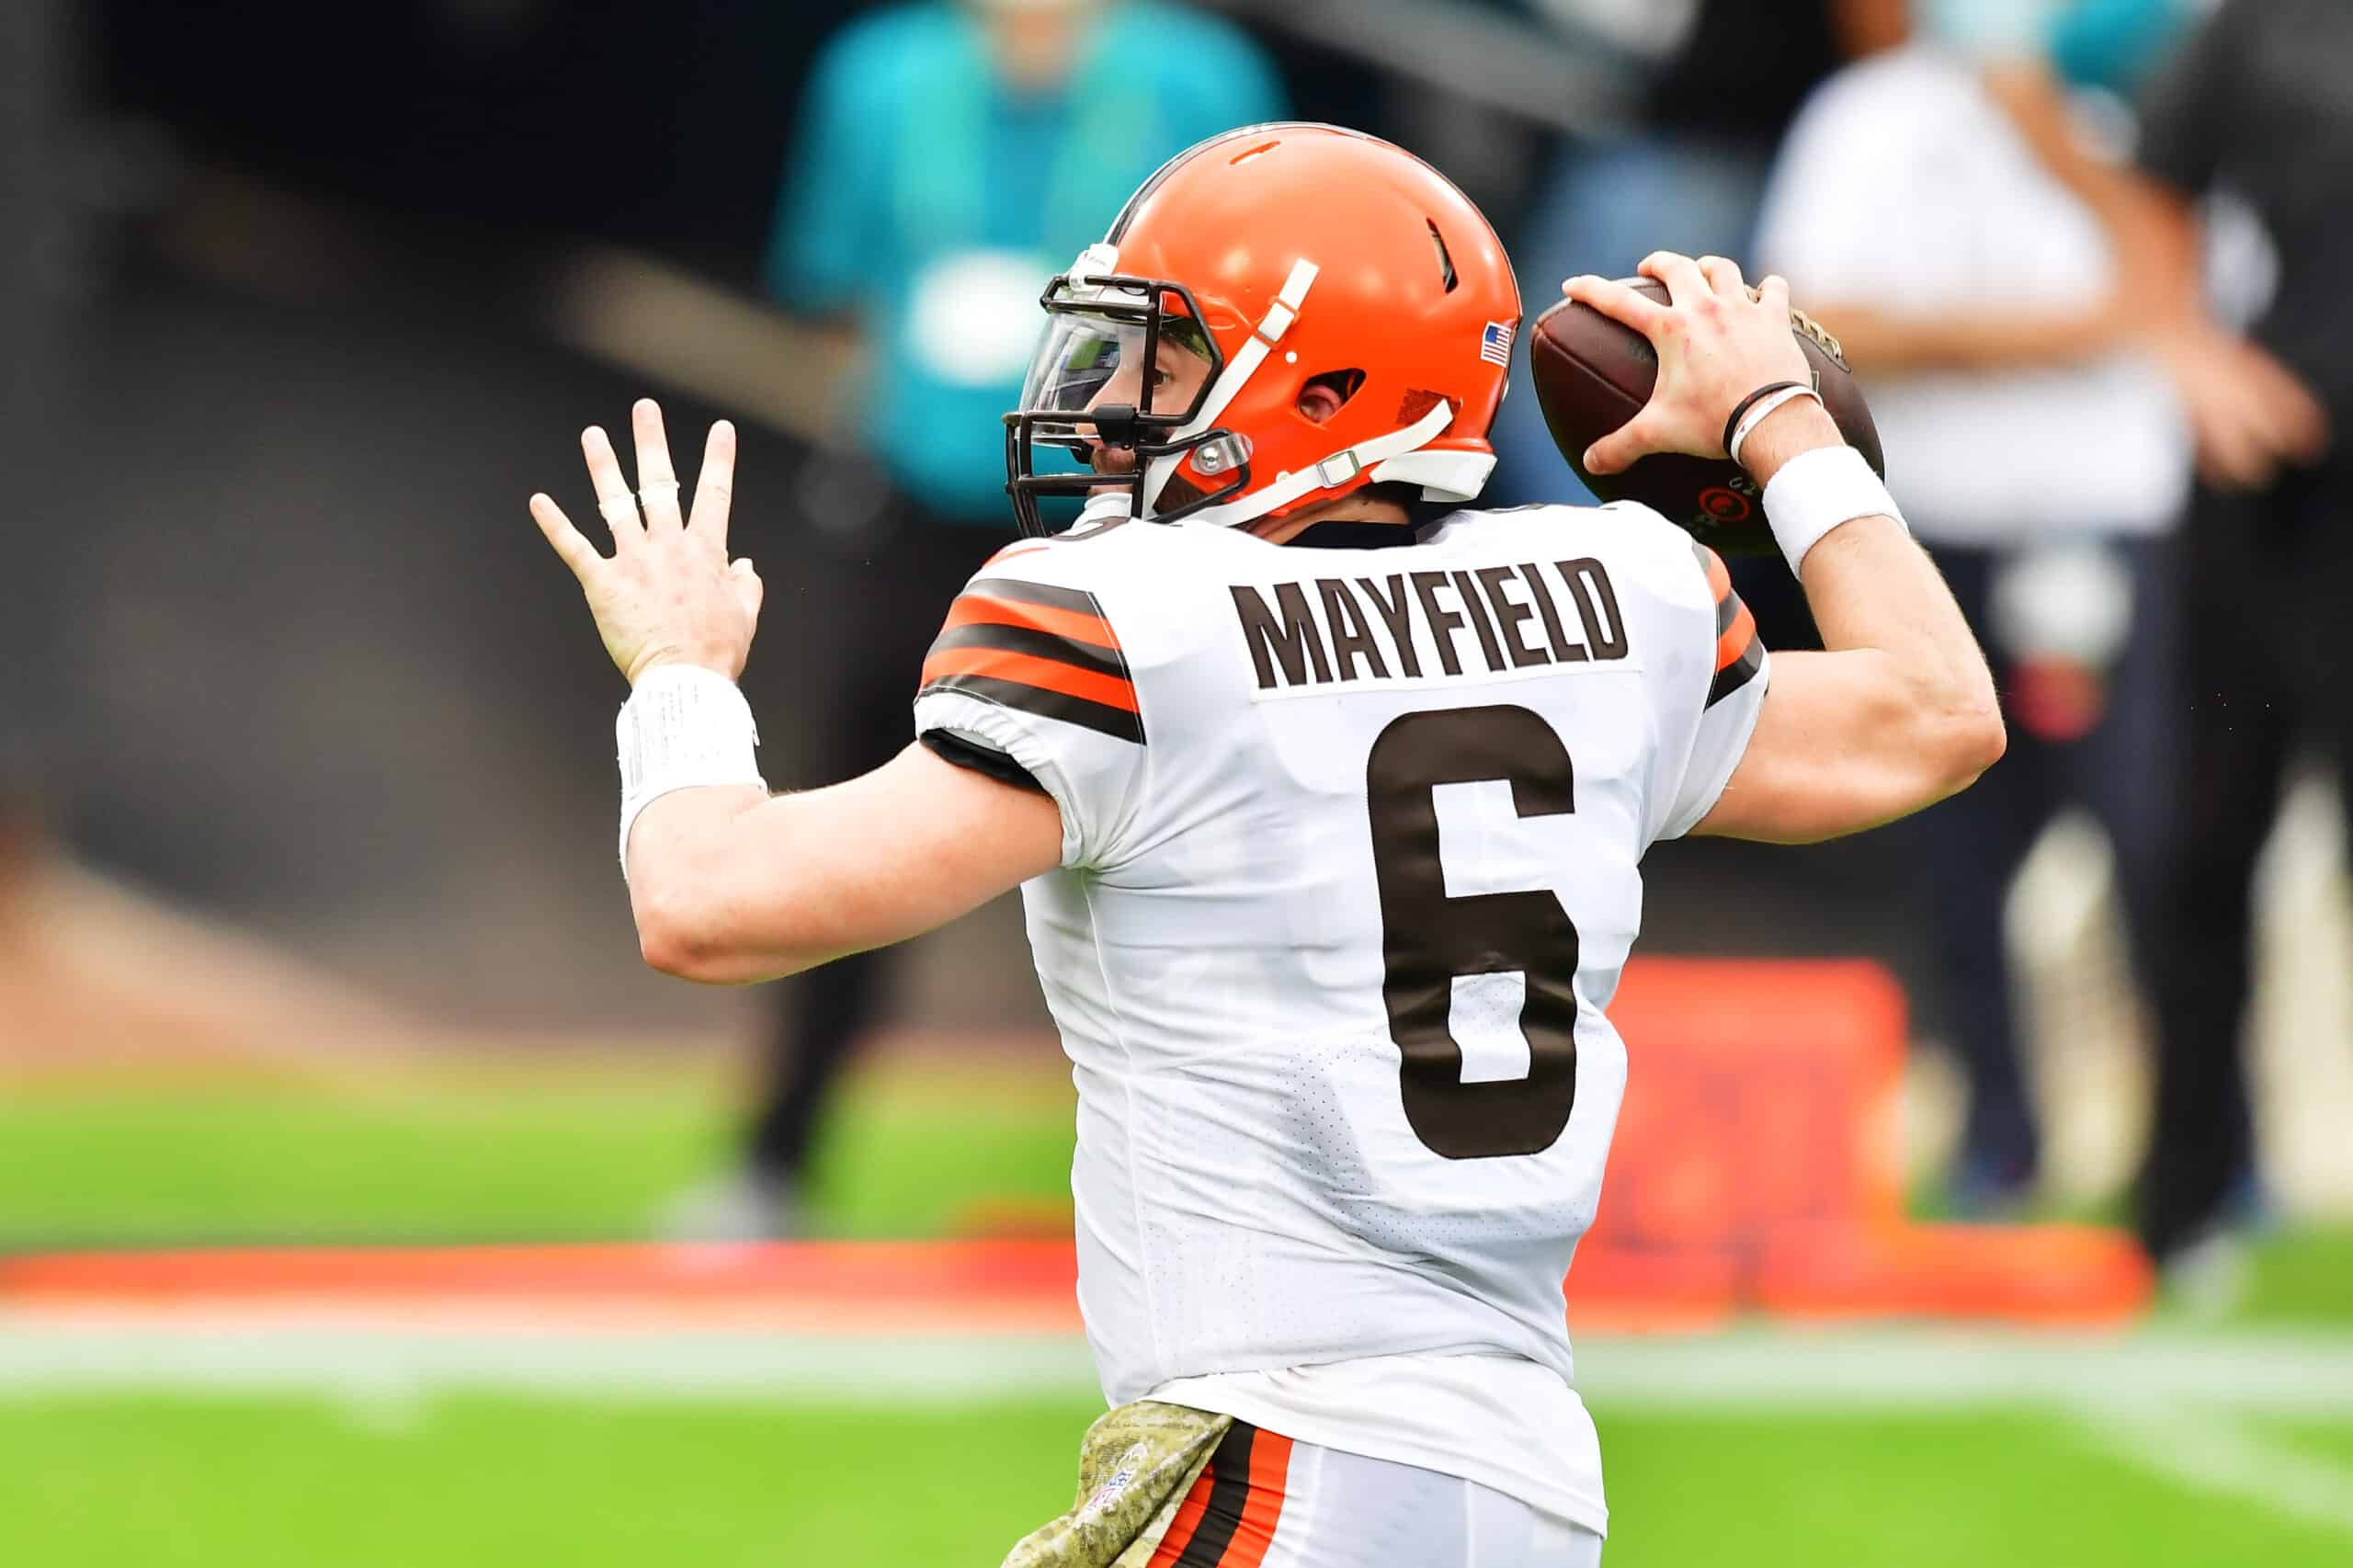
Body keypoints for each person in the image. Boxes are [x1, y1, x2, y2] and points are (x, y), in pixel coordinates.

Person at [531, 125, 2000, 1567]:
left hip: (1282, 1459)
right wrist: (1782, 425)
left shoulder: (1131, 623)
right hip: (1534, 1477)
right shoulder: (1620, 596)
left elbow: (709, 902)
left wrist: (679, 674)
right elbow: (1935, 711)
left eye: (1163, 364)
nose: (1113, 406)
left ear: (1332, 381)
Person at [706, 0, 1285, 1238]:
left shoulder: (1196, 75)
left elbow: (1256, 312)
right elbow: (843, 295)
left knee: (1183, 843)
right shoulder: (880, 73)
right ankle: (773, 1163)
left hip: (1130, 521)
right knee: (854, 818)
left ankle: (1216, 1182)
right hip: (919, 502)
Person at [1750, 0, 2198, 1210]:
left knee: (2150, 837)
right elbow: (1805, 326)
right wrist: (2036, 338)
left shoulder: (2139, 104)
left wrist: (2049, 139)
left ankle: (2199, 1148)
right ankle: (2000, 1133)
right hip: (1926, 533)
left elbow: (2178, 292)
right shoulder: (1869, 115)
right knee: (1954, 853)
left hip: (2100, 523)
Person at [2120, 0, 2342, 1270]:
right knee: (2204, 843)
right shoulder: (2263, 29)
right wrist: (2189, 353)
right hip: (2277, 488)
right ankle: (2189, 1201)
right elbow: (2152, 190)